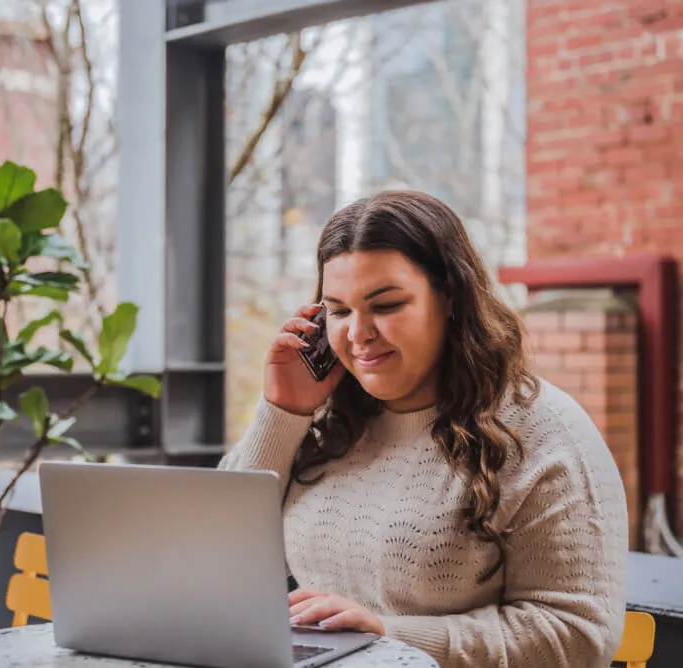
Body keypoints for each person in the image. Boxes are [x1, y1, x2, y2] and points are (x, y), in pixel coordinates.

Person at [220, 190, 628, 667]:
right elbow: (222, 546)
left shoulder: (544, 433)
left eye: (387, 305)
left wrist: (386, 637)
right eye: (339, 311)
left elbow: (578, 636)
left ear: (451, 297)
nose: (358, 334)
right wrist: (283, 411)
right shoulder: (332, 420)